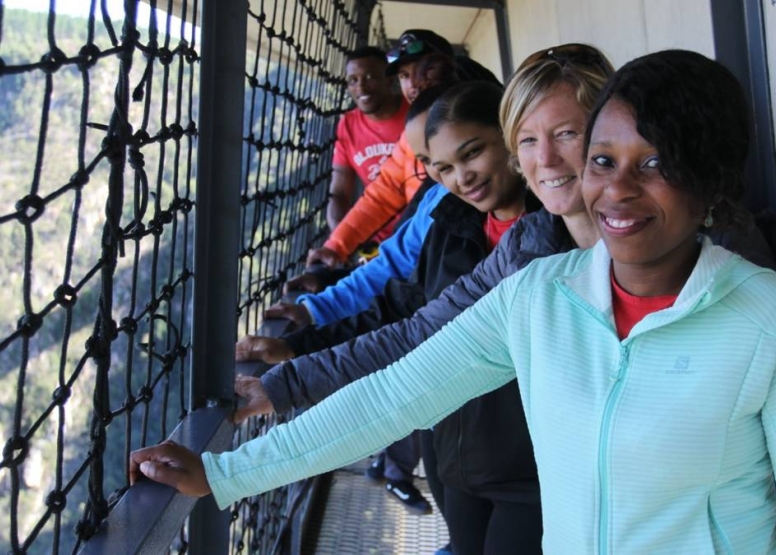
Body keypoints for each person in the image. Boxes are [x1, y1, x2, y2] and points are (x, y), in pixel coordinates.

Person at [131, 50, 776, 553]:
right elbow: (399, 390)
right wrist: (225, 475)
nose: (618, 190)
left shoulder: (761, 318)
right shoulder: (537, 292)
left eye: (655, 162)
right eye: (604, 161)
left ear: (709, 177)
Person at [306, 29, 500, 268]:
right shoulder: (411, 139)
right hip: (421, 256)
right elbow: (383, 194)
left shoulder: (483, 112)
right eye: (404, 75)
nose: (414, 84)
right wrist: (336, 246)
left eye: (424, 70)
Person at [328, 46, 408, 242]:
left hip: (423, 231)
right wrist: (340, 241)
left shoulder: (415, 113)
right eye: (353, 80)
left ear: (389, 79)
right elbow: (339, 193)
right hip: (378, 239)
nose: (361, 88)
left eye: (370, 77)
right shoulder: (347, 124)